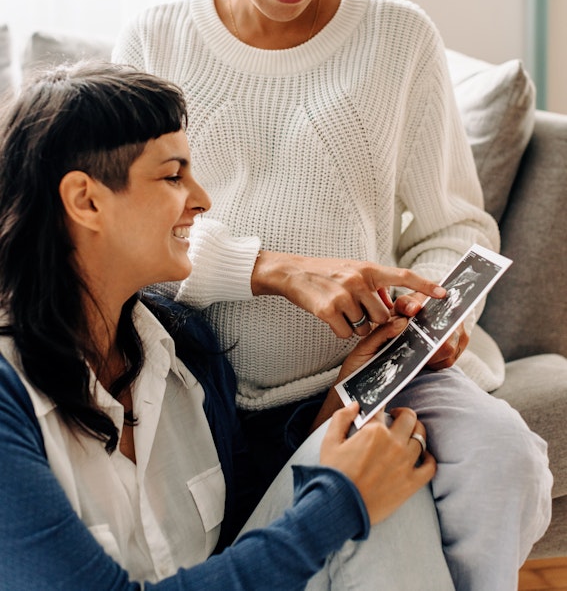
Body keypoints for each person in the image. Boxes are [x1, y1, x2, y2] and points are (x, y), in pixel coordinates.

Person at [113, 0, 553, 588]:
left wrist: (426, 311)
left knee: (506, 463)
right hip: (206, 394)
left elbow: (453, 225)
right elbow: (133, 241)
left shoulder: (396, 37)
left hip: (371, 371)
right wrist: (277, 271)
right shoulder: (155, 42)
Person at [0, 60, 463, 590]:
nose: (202, 199)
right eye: (173, 175)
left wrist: (345, 399)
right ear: (86, 200)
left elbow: (247, 531)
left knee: (376, 454)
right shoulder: (10, 398)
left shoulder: (181, 349)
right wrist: (341, 502)